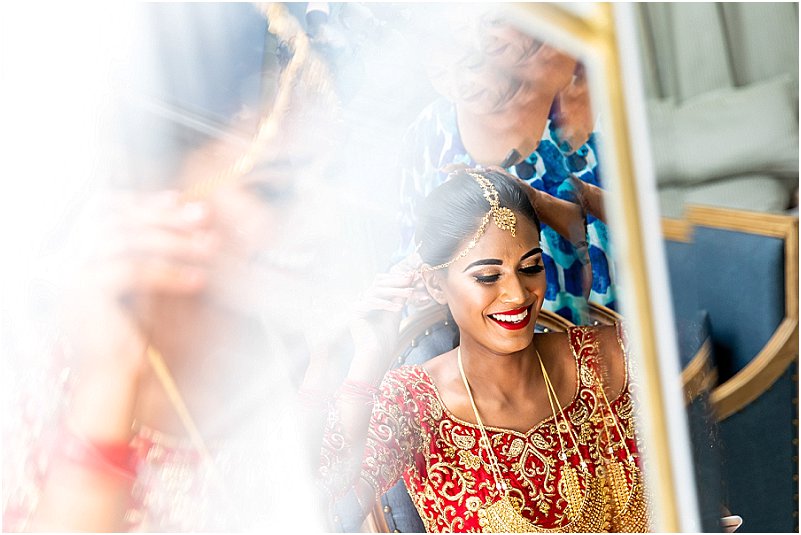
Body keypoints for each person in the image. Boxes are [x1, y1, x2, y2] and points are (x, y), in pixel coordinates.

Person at [318, 168, 649, 532]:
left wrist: (540, 202)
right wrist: (368, 358)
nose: (518, 295)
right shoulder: (412, 404)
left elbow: (694, 258)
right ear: (436, 284)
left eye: (531, 267)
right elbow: (324, 507)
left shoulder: (610, 356)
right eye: (488, 276)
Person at [396, 14, 614, 325]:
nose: (459, 87)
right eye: (438, 73)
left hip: (616, 321)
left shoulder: (585, 102)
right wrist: (417, 281)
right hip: (505, 342)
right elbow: (411, 246)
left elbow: (647, 219)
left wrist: (534, 201)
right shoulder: (427, 137)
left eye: (471, 65)